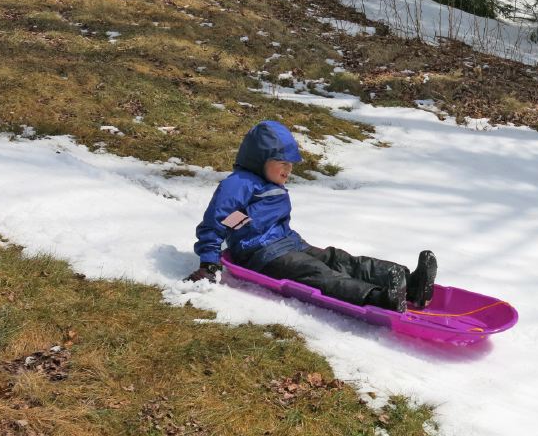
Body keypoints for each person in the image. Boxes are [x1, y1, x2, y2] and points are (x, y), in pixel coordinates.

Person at [186, 120, 437, 313]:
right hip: (262, 254)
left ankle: (409, 282)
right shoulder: (239, 184)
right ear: (260, 160)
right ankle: (379, 298)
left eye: (291, 163)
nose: (288, 169)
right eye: (281, 162)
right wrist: (208, 262)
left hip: (291, 243)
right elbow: (215, 222)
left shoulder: (266, 180)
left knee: (338, 259)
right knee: (317, 272)